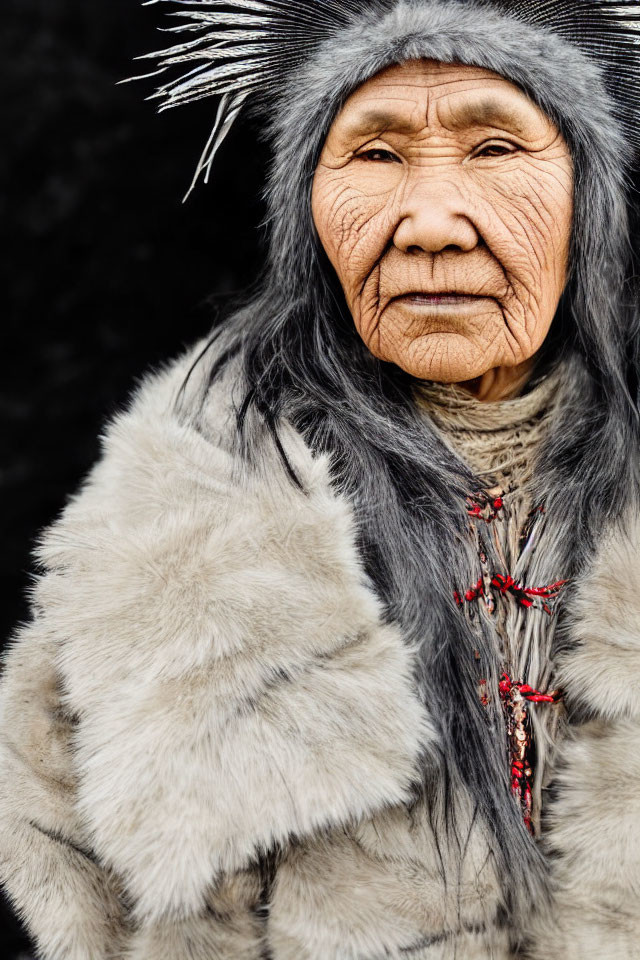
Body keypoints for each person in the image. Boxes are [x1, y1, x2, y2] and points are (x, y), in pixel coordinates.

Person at [1, 1, 639, 958]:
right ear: (308, 216)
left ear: (592, 204)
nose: (430, 223)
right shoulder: (160, 553)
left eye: (496, 148)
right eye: (374, 155)